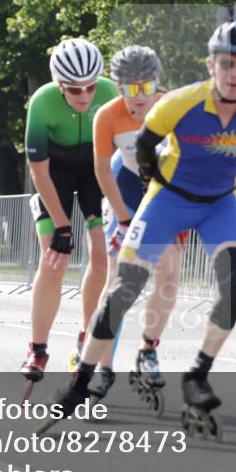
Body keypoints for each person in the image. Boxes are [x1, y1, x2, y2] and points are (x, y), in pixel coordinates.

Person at [49, 21, 236, 432]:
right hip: (168, 200)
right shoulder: (177, 104)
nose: (234, 74)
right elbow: (142, 149)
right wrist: (149, 195)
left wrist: (217, 182)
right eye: (227, 64)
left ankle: (196, 375)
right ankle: (80, 382)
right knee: (124, 290)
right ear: (211, 65)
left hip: (219, 205)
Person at [87, 45, 184, 402]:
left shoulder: (173, 109)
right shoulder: (108, 116)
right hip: (125, 188)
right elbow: (100, 169)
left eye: (147, 87)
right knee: (118, 281)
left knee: (170, 275)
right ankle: (102, 365)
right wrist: (123, 218)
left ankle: (148, 350)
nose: (139, 97)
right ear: (118, 87)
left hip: (164, 191)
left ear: (158, 84)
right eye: (129, 88)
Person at [20, 38, 117, 390]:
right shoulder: (42, 103)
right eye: (75, 89)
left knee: (103, 257)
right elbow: (39, 171)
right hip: (54, 174)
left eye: (91, 86)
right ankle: (38, 348)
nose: (85, 95)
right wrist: (61, 227)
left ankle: (86, 339)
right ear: (60, 85)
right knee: (53, 259)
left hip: (94, 169)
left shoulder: (111, 93)